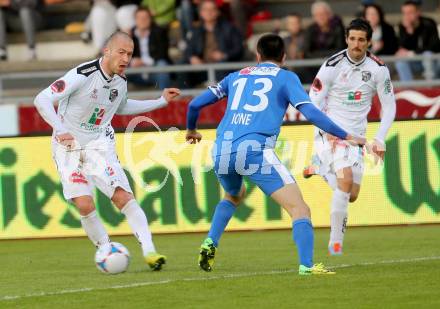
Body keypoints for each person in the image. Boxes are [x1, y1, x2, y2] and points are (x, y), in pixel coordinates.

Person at [185, 33, 366, 275]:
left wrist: (191, 129)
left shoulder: (236, 76)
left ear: (257, 56)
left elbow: (193, 105)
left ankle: (210, 242)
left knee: (233, 194)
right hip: (255, 150)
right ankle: (307, 266)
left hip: (221, 149)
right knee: (300, 209)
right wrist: (346, 135)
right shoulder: (286, 77)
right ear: (284, 56)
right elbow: (310, 113)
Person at [33, 31, 180, 270]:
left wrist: (160, 100)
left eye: (130, 54)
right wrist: (60, 130)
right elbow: (42, 99)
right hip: (67, 145)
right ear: (107, 51)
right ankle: (106, 249)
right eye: (121, 52)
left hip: (99, 144)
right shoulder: (82, 75)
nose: (126, 58)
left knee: (123, 197)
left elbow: (121, 106)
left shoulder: (120, 82)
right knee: (84, 204)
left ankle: (150, 252)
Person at [303, 19, 396, 255]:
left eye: (361, 40)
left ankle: (320, 169)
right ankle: (336, 243)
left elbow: (389, 106)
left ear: (369, 42)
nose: (356, 44)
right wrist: (325, 129)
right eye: (352, 39)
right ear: (346, 39)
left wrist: (380, 138)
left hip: (357, 137)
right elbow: (312, 101)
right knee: (344, 181)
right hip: (331, 132)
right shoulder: (331, 65)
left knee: (351, 195)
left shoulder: (378, 69)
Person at [181, 0, 243, 87]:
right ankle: (184, 97)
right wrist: (192, 57)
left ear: (218, 12)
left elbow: (238, 49)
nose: (209, 13)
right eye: (205, 10)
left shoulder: (229, 28)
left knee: (222, 65)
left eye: (212, 9)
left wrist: (224, 55)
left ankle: (220, 94)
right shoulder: (196, 30)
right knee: (183, 64)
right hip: (202, 67)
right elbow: (188, 49)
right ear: (201, 13)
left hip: (222, 67)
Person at [395, 0, 440, 81]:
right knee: (400, 62)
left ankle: (430, 86)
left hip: (433, 61)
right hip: (416, 61)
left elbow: (434, 46)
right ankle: (408, 89)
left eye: (410, 12)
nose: (407, 16)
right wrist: (409, 32)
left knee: (428, 54)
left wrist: (413, 52)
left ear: (418, 12)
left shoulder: (428, 23)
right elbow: (402, 49)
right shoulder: (402, 26)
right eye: (404, 13)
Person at [128, 7, 171, 89]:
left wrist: (143, 61)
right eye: (140, 18)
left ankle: (164, 98)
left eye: (145, 18)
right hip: (137, 73)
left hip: (154, 71)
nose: (142, 20)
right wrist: (133, 61)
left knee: (162, 64)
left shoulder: (159, 32)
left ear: (150, 19)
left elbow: (162, 54)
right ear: (135, 20)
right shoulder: (130, 34)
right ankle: (118, 99)